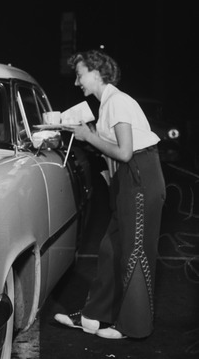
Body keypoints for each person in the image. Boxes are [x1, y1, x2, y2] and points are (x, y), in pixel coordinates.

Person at [54, 50, 165, 339]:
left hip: (140, 178)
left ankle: (132, 327)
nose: (77, 82)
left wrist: (89, 137)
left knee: (134, 252)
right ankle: (94, 316)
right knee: (111, 248)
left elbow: (126, 152)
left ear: (96, 72)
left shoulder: (117, 102)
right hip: (128, 180)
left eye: (80, 75)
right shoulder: (106, 106)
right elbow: (116, 154)